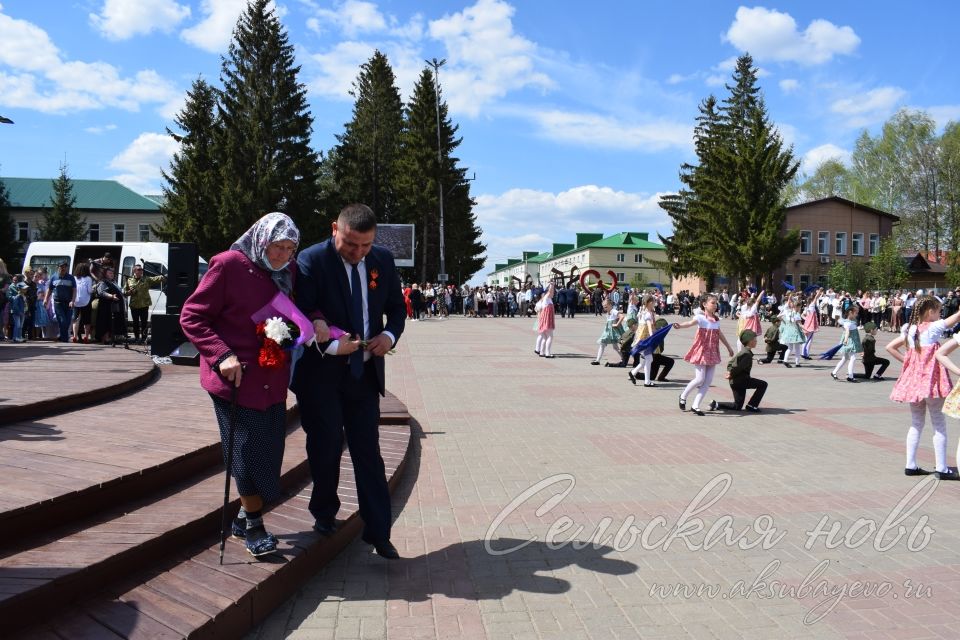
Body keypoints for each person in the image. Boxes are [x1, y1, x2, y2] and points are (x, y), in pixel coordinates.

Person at [180, 212, 301, 557]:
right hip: (234, 378)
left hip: (273, 378)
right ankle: (255, 526)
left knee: (269, 453)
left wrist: (293, 333)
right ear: (262, 239)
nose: (281, 255)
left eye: (289, 249)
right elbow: (192, 315)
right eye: (277, 247)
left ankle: (243, 517)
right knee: (245, 454)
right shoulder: (229, 265)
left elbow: (292, 316)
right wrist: (221, 355)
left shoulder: (289, 272)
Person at [293, 203, 406, 560]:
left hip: (364, 374)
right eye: (351, 244)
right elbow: (301, 310)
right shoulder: (311, 261)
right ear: (334, 230)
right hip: (321, 375)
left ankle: (378, 531)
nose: (358, 253)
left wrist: (388, 335)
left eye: (366, 246)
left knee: (368, 452)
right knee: (325, 447)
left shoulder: (383, 261)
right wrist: (321, 331)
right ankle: (324, 512)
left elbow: (396, 310)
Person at [887, 295, 960, 480]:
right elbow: (955, 318)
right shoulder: (933, 328)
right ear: (930, 312)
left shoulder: (910, 330)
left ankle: (910, 465)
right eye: (938, 311)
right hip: (931, 384)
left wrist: (910, 363)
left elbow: (890, 347)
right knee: (939, 424)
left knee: (916, 423)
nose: (940, 314)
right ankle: (942, 468)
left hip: (914, 383)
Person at [674, 294, 735, 416]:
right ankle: (683, 395)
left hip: (712, 352)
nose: (715, 305)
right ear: (704, 304)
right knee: (699, 379)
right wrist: (680, 326)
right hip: (701, 351)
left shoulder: (717, 320)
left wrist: (728, 347)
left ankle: (695, 405)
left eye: (716, 303)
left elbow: (720, 334)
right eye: (712, 302)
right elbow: (690, 323)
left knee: (707, 381)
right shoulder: (701, 318)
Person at [709, 329, 767, 412]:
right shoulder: (746, 354)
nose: (756, 341)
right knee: (763, 384)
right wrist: (731, 373)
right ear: (750, 341)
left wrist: (730, 373)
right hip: (741, 381)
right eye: (755, 339)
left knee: (737, 406)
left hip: (735, 381)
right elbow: (737, 367)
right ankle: (752, 405)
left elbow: (731, 363)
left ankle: (716, 404)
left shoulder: (745, 352)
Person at [125, 264, 166, 344]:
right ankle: (136, 338)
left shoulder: (146, 279)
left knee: (144, 323)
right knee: (135, 323)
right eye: (139, 269)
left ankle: (144, 338)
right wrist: (129, 292)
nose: (141, 271)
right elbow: (124, 291)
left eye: (141, 269)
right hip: (134, 305)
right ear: (134, 271)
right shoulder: (129, 280)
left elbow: (155, 279)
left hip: (144, 304)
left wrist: (164, 276)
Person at [45, 261, 77, 342]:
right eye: (61, 267)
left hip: (68, 303)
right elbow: (49, 289)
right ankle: (64, 339)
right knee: (63, 321)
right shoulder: (54, 277)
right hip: (58, 303)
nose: (63, 268)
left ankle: (62, 336)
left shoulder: (71, 278)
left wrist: (73, 301)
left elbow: (74, 290)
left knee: (67, 321)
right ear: (58, 267)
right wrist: (46, 299)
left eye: (65, 267)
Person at [94, 267, 126, 344]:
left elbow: (120, 291)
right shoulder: (103, 282)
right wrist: (111, 296)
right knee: (105, 321)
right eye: (110, 273)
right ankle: (105, 339)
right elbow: (101, 292)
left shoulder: (113, 282)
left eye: (112, 273)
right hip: (106, 306)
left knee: (113, 322)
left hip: (114, 306)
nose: (112, 274)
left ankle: (111, 338)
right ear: (105, 274)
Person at [592, 298, 623, 365]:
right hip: (608, 331)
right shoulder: (608, 312)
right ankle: (597, 360)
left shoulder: (613, 311)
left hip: (613, 332)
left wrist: (617, 324)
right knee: (603, 343)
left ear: (610, 305)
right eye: (603, 306)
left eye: (605, 306)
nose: (604, 308)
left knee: (615, 347)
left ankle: (624, 358)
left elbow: (622, 316)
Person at [72, 261, 93, 343]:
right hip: (86, 301)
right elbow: (89, 291)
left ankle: (74, 336)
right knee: (87, 321)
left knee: (76, 319)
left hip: (76, 301)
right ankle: (86, 337)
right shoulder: (88, 279)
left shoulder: (74, 278)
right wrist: (94, 288)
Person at [535, 283, 557, 358]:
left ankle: (541, 352)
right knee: (550, 336)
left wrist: (551, 286)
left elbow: (551, 292)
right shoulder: (547, 298)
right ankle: (547, 353)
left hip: (544, 319)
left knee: (544, 337)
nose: (553, 293)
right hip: (547, 320)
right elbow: (550, 291)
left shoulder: (546, 299)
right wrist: (552, 285)